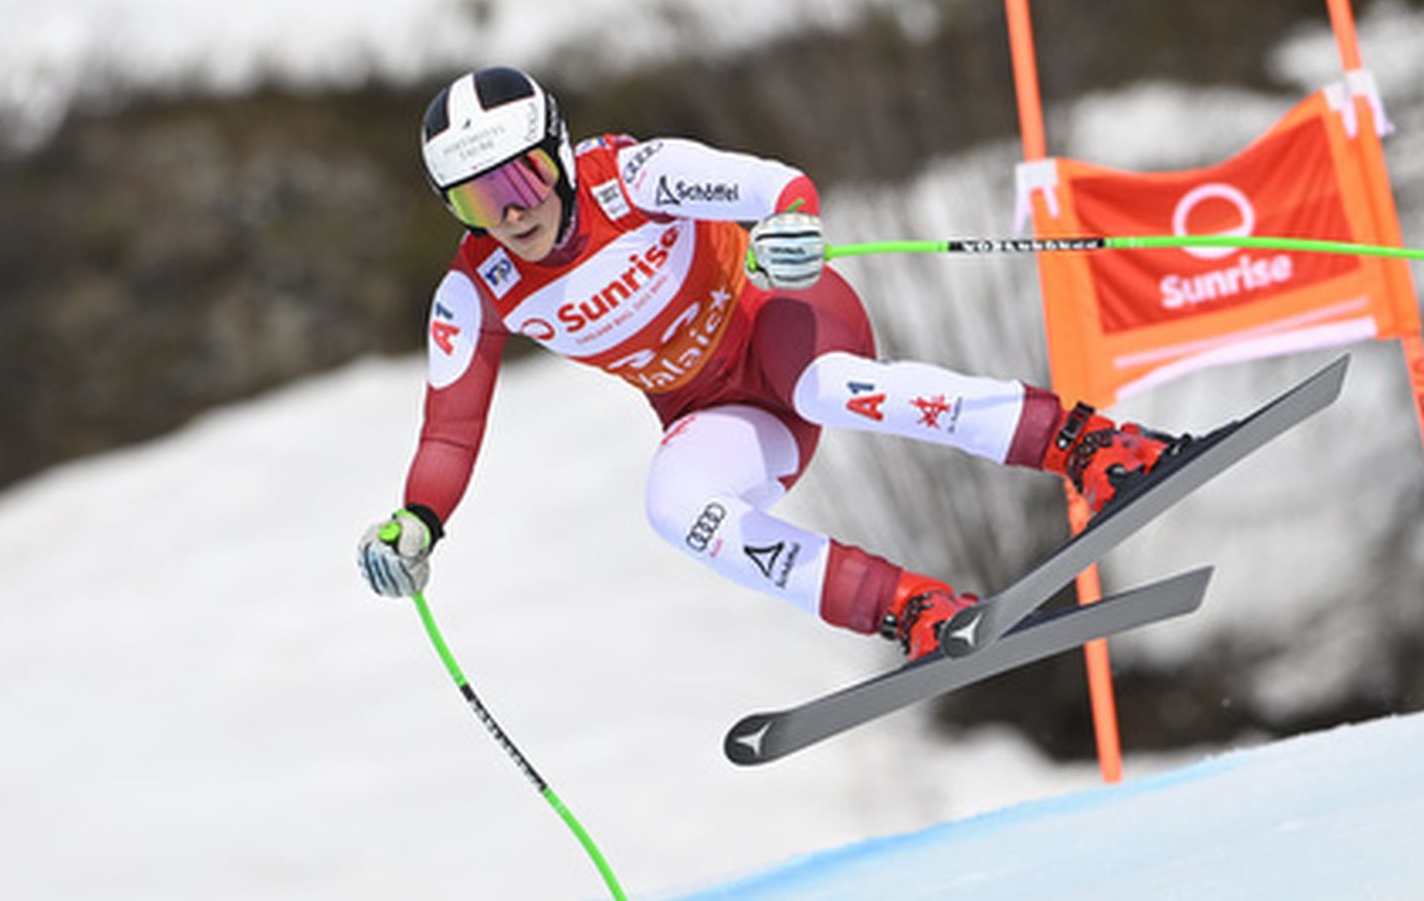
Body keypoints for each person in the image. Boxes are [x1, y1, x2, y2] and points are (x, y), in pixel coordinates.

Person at [355, 65, 1188, 657]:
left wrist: (789, 227)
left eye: (525, 180)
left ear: (560, 153)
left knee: (829, 388)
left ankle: (1096, 448)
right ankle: (912, 611)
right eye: (477, 200)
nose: (511, 213)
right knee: (673, 505)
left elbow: (773, 186)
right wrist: (420, 522)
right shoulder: (477, 289)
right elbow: (450, 434)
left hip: (786, 326)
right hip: (719, 413)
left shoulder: (633, 176)